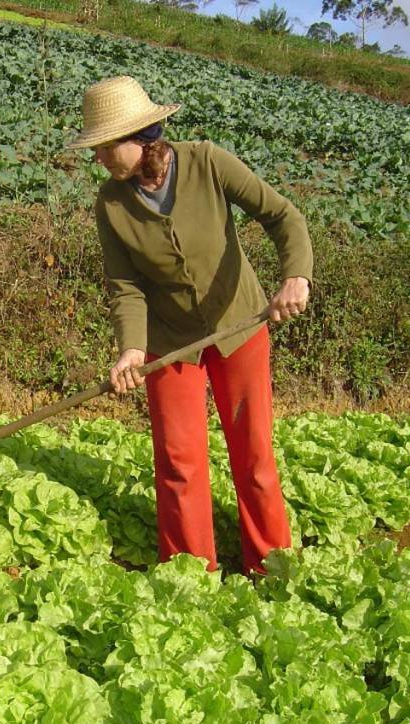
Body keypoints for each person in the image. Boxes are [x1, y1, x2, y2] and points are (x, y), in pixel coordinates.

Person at [66, 75, 313, 574]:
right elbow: (125, 285)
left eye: (104, 146)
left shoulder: (207, 162)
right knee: (178, 461)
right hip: (169, 340)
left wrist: (296, 277)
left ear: (139, 138)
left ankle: (271, 566)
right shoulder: (111, 203)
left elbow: (283, 216)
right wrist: (132, 350)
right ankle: (190, 575)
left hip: (240, 326)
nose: (98, 158)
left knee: (254, 455)